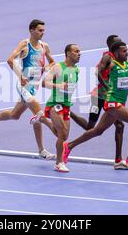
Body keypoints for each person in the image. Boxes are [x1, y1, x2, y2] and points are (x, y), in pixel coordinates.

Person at [62, 41, 128, 169]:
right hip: (111, 102)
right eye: (124, 51)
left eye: (127, 50)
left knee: (97, 131)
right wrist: (106, 86)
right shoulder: (111, 64)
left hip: (120, 102)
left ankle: (69, 146)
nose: (127, 53)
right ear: (116, 52)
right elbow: (98, 73)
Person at [0, 19, 56, 159]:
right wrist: (20, 76)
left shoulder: (44, 46)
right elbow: (10, 60)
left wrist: (47, 68)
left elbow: (52, 61)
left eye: (43, 30)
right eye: (40, 30)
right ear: (31, 30)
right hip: (24, 86)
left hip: (35, 87)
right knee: (38, 114)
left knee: (14, 115)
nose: (43, 33)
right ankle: (42, 149)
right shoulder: (25, 45)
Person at [69, 35, 128, 170]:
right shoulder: (107, 58)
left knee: (120, 125)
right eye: (117, 42)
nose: (120, 42)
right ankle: (69, 113)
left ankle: (118, 160)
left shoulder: (120, 59)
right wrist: (106, 86)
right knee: (90, 128)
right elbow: (97, 72)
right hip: (98, 97)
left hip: (112, 100)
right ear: (111, 46)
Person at [42, 44, 81, 172]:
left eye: (79, 51)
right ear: (68, 53)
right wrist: (58, 85)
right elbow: (44, 83)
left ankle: (43, 120)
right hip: (55, 103)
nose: (79, 53)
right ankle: (59, 163)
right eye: (76, 51)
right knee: (63, 132)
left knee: (63, 136)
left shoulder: (76, 69)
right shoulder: (58, 67)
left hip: (66, 105)